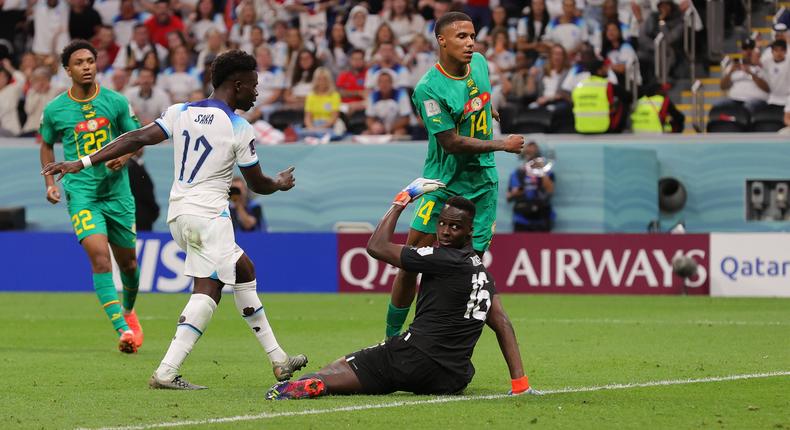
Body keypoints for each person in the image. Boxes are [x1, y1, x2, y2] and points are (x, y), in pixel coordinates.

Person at [43, 49, 307, 389]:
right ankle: (167, 371)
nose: (257, 93)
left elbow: (136, 138)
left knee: (244, 270)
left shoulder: (181, 111)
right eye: (254, 86)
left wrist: (81, 162)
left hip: (180, 214)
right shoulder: (239, 127)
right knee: (208, 290)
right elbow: (257, 184)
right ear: (237, 84)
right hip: (210, 216)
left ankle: (279, 360)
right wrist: (280, 184)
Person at [265, 183, 538, 399]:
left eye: (454, 227)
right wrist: (520, 383)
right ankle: (338, 379)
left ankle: (315, 384)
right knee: (383, 369)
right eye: (442, 223)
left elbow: (376, 246)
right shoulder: (483, 274)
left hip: (413, 358)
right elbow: (502, 323)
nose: (444, 231)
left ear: (469, 232)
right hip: (453, 378)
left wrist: (402, 200)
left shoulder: (440, 258)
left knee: (339, 367)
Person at [383, 12, 524, 339]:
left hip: (482, 185)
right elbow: (451, 141)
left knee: (465, 268)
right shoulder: (428, 89)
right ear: (441, 40)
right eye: (461, 36)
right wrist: (501, 143)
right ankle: (391, 338)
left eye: (472, 35)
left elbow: (476, 98)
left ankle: (437, 335)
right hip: (442, 185)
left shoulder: (481, 65)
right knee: (410, 261)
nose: (470, 42)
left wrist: (486, 110)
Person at [38, 40, 143, 353]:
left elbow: (137, 139)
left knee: (129, 266)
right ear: (68, 70)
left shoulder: (116, 102)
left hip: (117, 192)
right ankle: (123, 330)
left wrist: (123, 158)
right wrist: (50, 182)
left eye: (90, 61)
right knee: (100, 259)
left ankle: (129, 312)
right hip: (81, 193)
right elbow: (46, 143)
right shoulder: (55, 109)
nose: (86, 67)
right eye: (79, 63)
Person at [507, 142, 555, 232]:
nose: (531, 159)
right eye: (529, 153)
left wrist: (541, 171)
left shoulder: (547, 173)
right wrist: (517, 193)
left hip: (542, 218)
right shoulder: (518, 173)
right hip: (522, 219)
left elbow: (550, 190)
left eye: (534, 154)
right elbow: (509, 196)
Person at [126, 149, 160, 231]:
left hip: (141, 214)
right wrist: (154, 209)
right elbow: (143, 192)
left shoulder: (137, 164)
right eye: (139, 146)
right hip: (138, 215)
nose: (142, 149)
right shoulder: (131, 166)